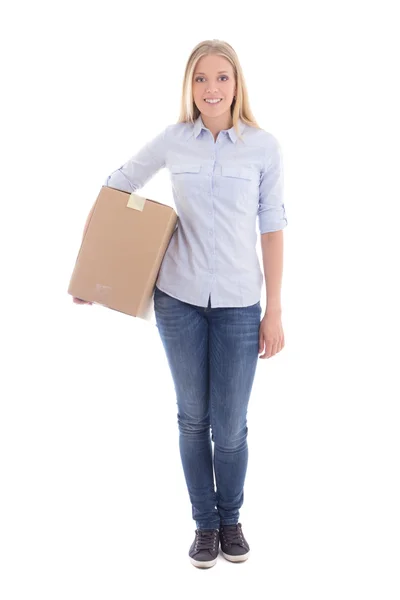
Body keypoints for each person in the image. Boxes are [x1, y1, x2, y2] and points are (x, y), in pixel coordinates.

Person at [74, 38, 288, 568]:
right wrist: (95, 272)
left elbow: (273, 227)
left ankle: (231, 518)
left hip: (240, 305)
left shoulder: (264, 147)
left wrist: (275, 309)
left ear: (237, 84)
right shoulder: (174, 141)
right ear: (189, 87)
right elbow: (116, 185)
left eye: (221, 77)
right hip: (180, 300)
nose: (211, 89)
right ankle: (205, 526)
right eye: (200, 79)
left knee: (231, 424)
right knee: (193, 419)